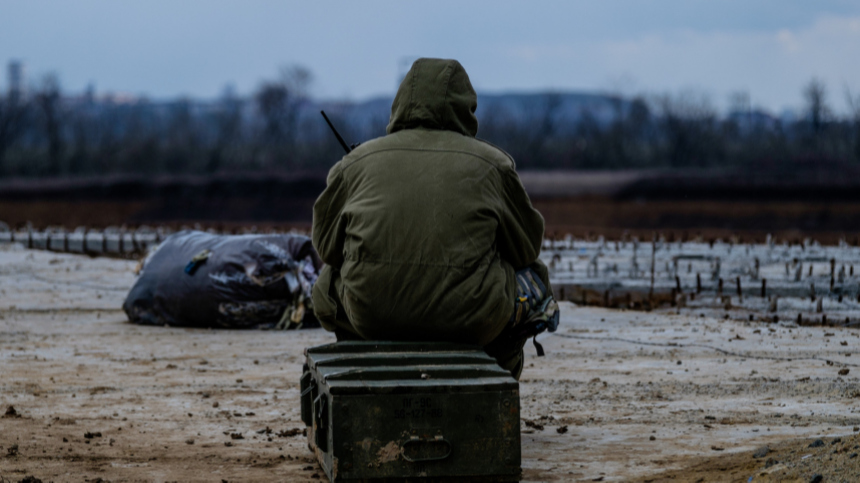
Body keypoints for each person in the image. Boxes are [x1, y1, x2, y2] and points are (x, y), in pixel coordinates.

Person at [311, 58, 558, 379]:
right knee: (534, 277)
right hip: (474, 322)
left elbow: (326, 248)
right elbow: (527, 249)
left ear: (399, 104)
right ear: (466, 108)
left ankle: (368, 359)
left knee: (327, 281)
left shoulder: (355, 163)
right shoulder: (494, 164)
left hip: (371, 317)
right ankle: (497, 372)